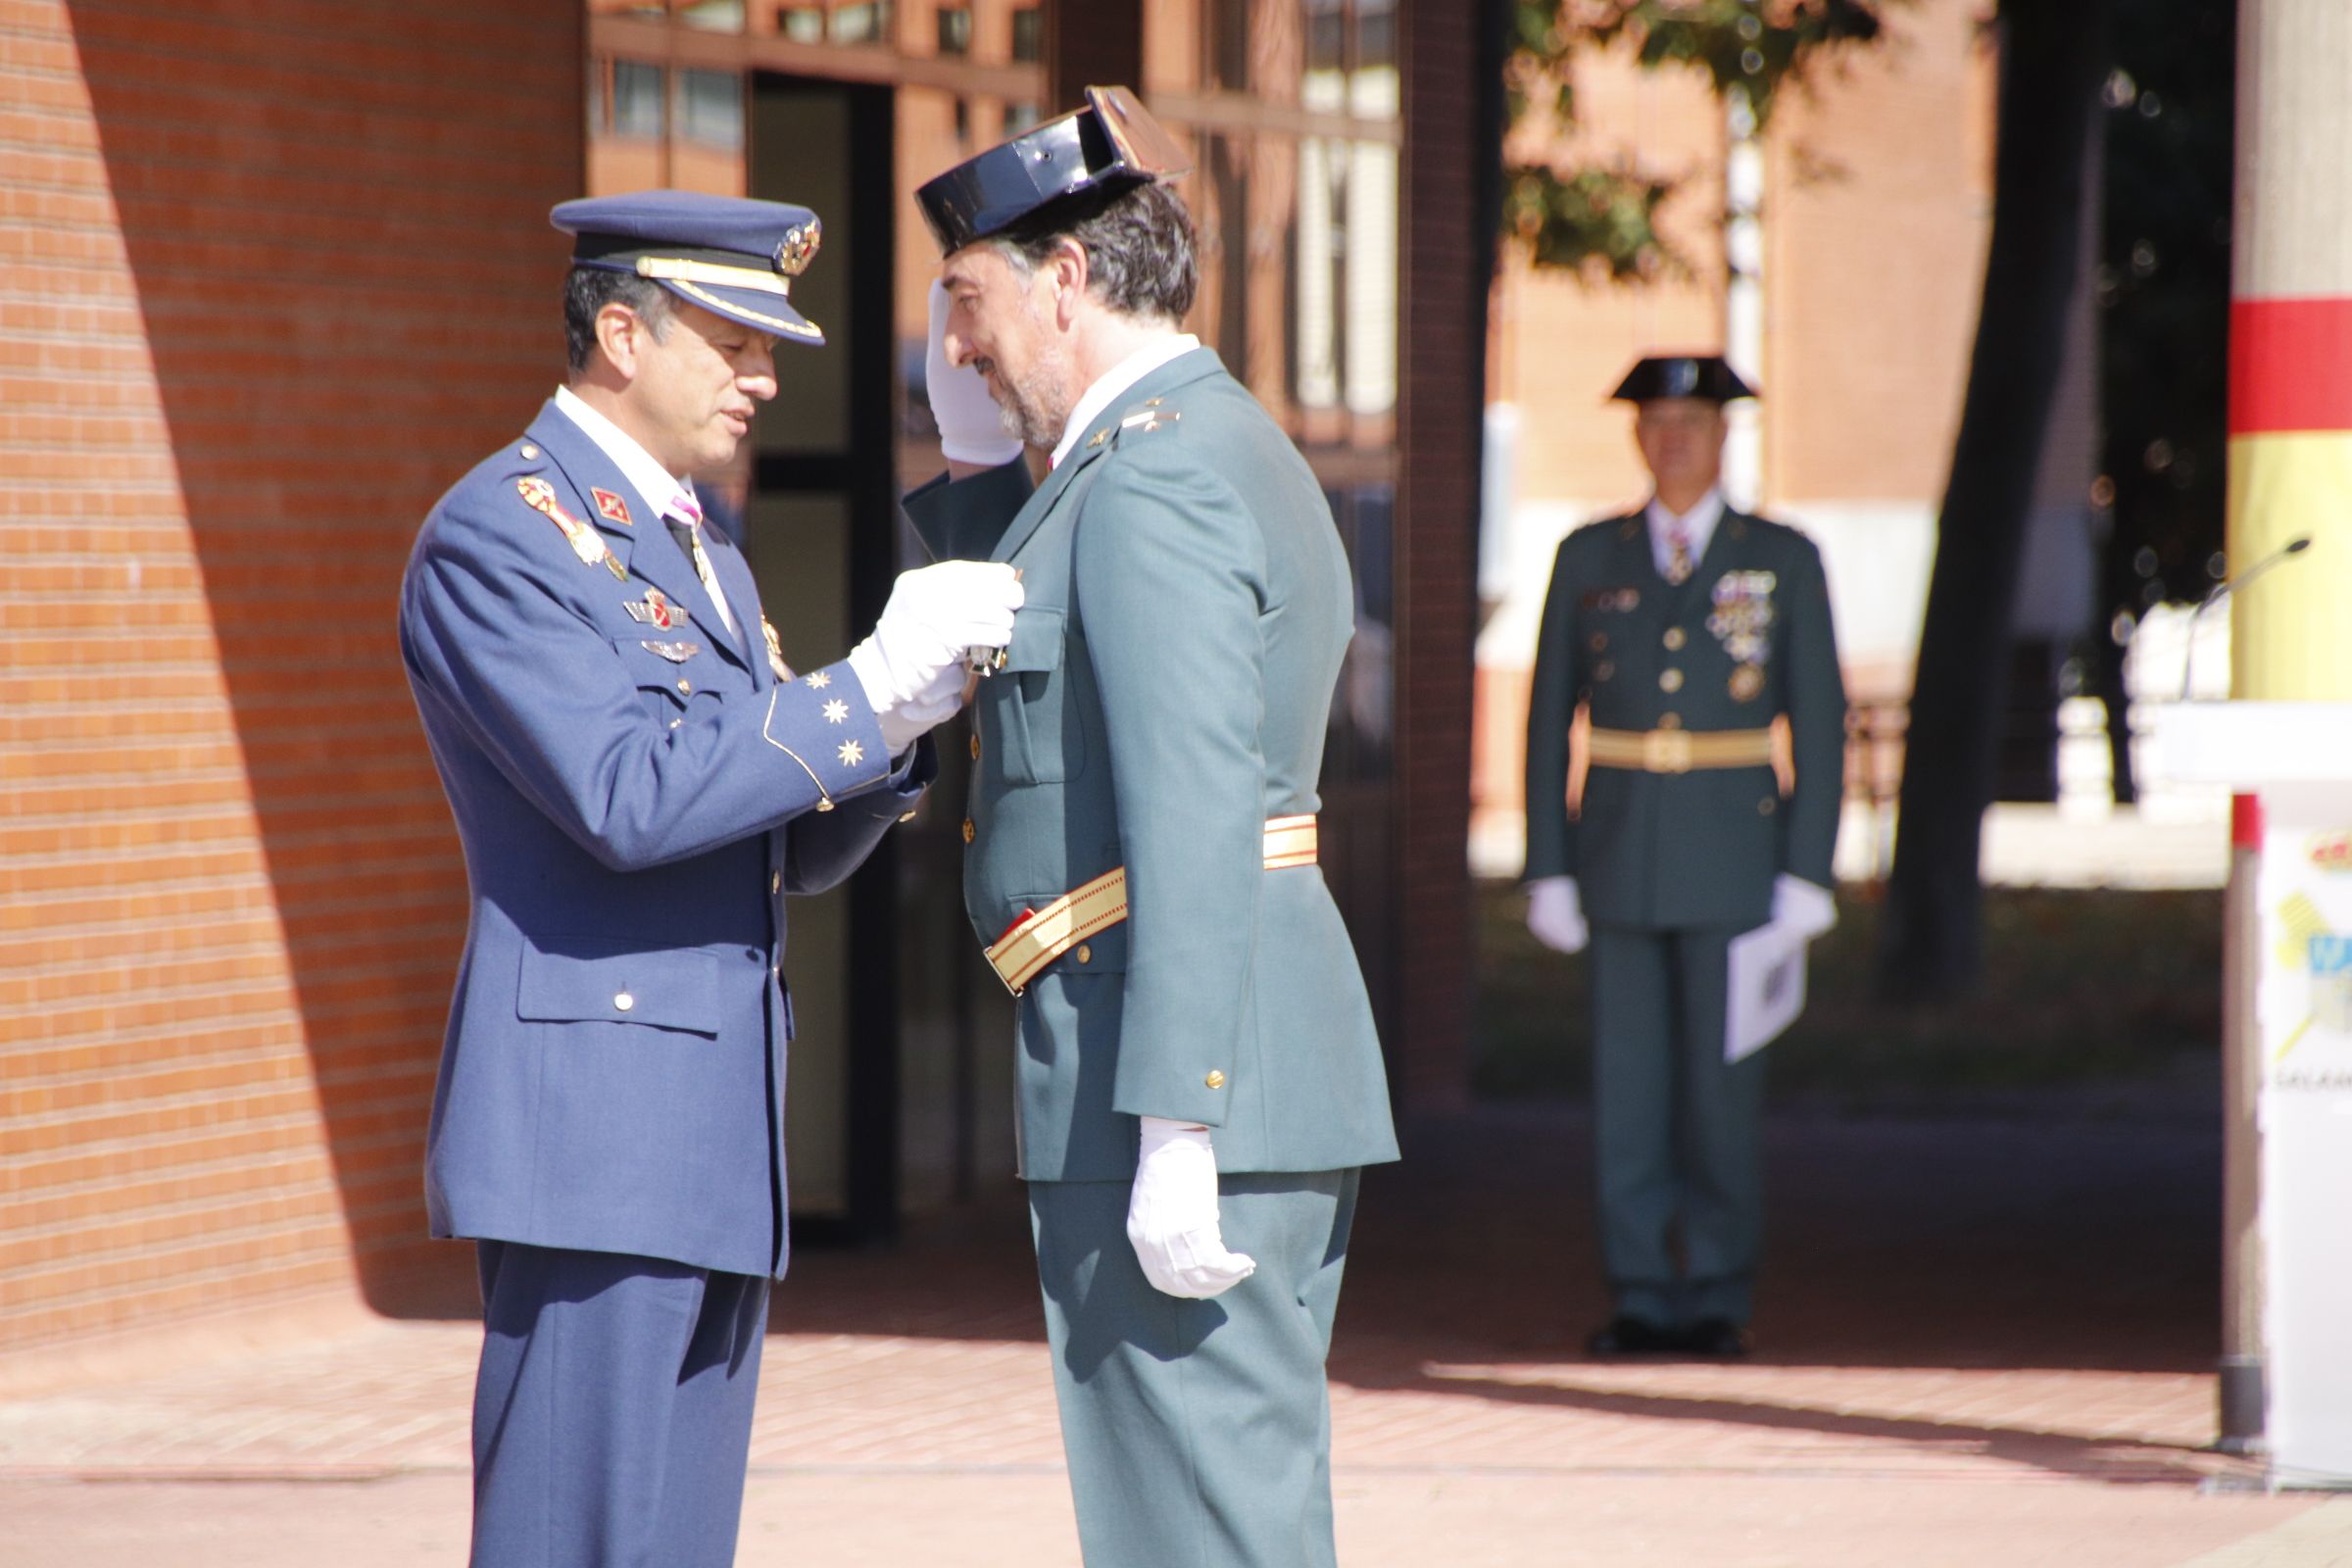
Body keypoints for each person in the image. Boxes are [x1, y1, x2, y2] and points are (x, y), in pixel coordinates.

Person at [397, 189, 1023, 1567]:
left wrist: (895, 733)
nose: (765, 377)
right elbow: (627, 799)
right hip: (593, 1131)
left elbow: (775, 840)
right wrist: (859, 695)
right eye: (732, 340)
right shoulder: (502, 536)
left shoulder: (701, 545)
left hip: (703, 1125)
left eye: (768, 348)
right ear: (620, 332)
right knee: (576, 1534)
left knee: (673, 1543)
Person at [901, 88, 1399, 1568]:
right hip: (1212, 1057)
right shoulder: (1168, 454)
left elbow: (1191, 801)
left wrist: (1173, 1118)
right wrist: (980, 473)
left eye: (971, 303)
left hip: (1177, 1070)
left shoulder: (1156, 474)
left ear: (1066, 281)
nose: (965, 345)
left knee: (1198, 1533)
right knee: (1214, 1516)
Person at [1521, 354, 1845, 1359]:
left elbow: (1821, 724)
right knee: (1629, 1091)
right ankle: (1639, 1291)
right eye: (1657, 422)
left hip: (1736, 862)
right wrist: (1549, 861)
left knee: (1718, 1091)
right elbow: (1546, 723)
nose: (1674, 440)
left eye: (1692, 423)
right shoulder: (1589, 556)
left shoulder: (1781, 558)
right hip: (1619, 853)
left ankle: (1712, 1288)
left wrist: (1806, 869)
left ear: (1722, 436)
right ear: (1637, 436)